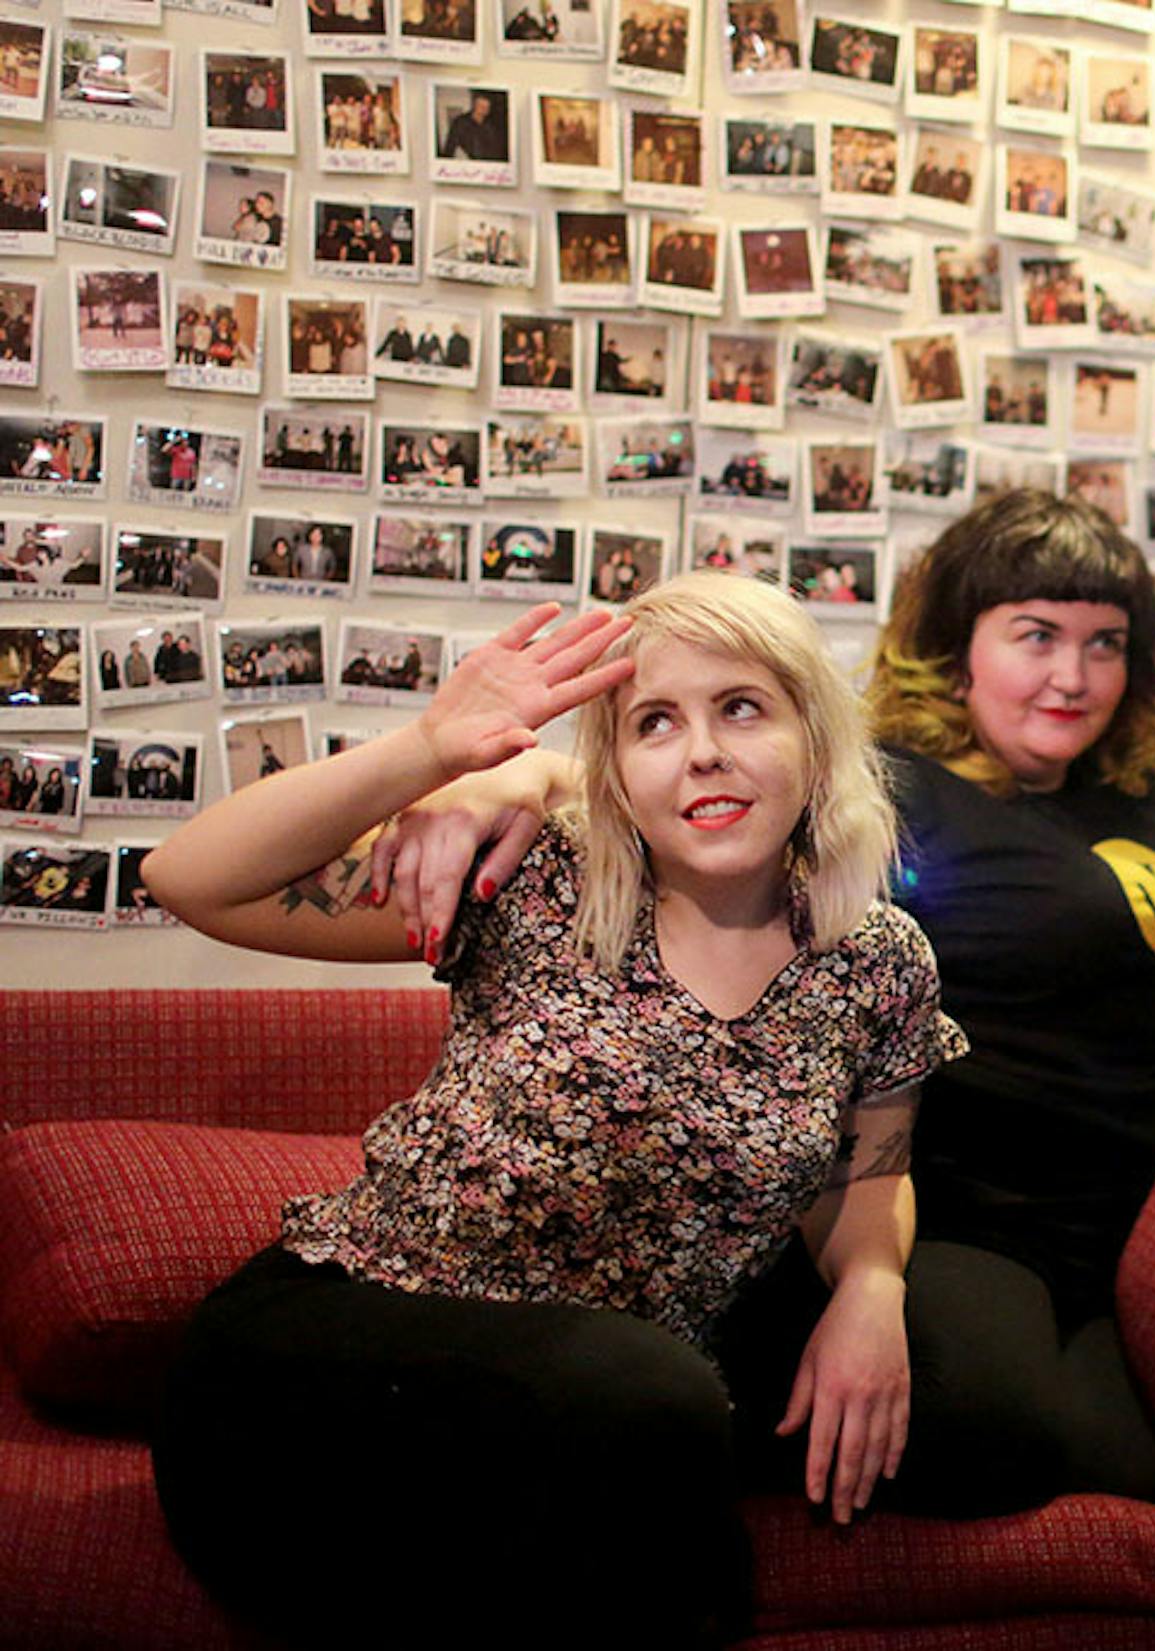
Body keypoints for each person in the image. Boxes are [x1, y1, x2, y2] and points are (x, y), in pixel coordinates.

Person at [369, 491, 1155, 1515]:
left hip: (1108, 1209)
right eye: (1036, 636)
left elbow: (1143, 921)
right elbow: (695, 803)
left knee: (1140, 1472)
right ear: (956, 648)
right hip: (954, 1201)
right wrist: (511, 779)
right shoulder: (897, 793)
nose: (1074, 674)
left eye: (1106, 643)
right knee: (1006, 1441)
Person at [146, 580, 967, 1645]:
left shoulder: (876, 961)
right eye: (655, 723)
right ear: (616, 769)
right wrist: (438, 751)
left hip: (582, 1418)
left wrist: (871, 1283)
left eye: (744, 708)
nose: (703, 752)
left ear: (814, 735)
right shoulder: (537, 880)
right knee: (655, 1405)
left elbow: (866, 1186)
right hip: (329, 1370)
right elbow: (192, 877)